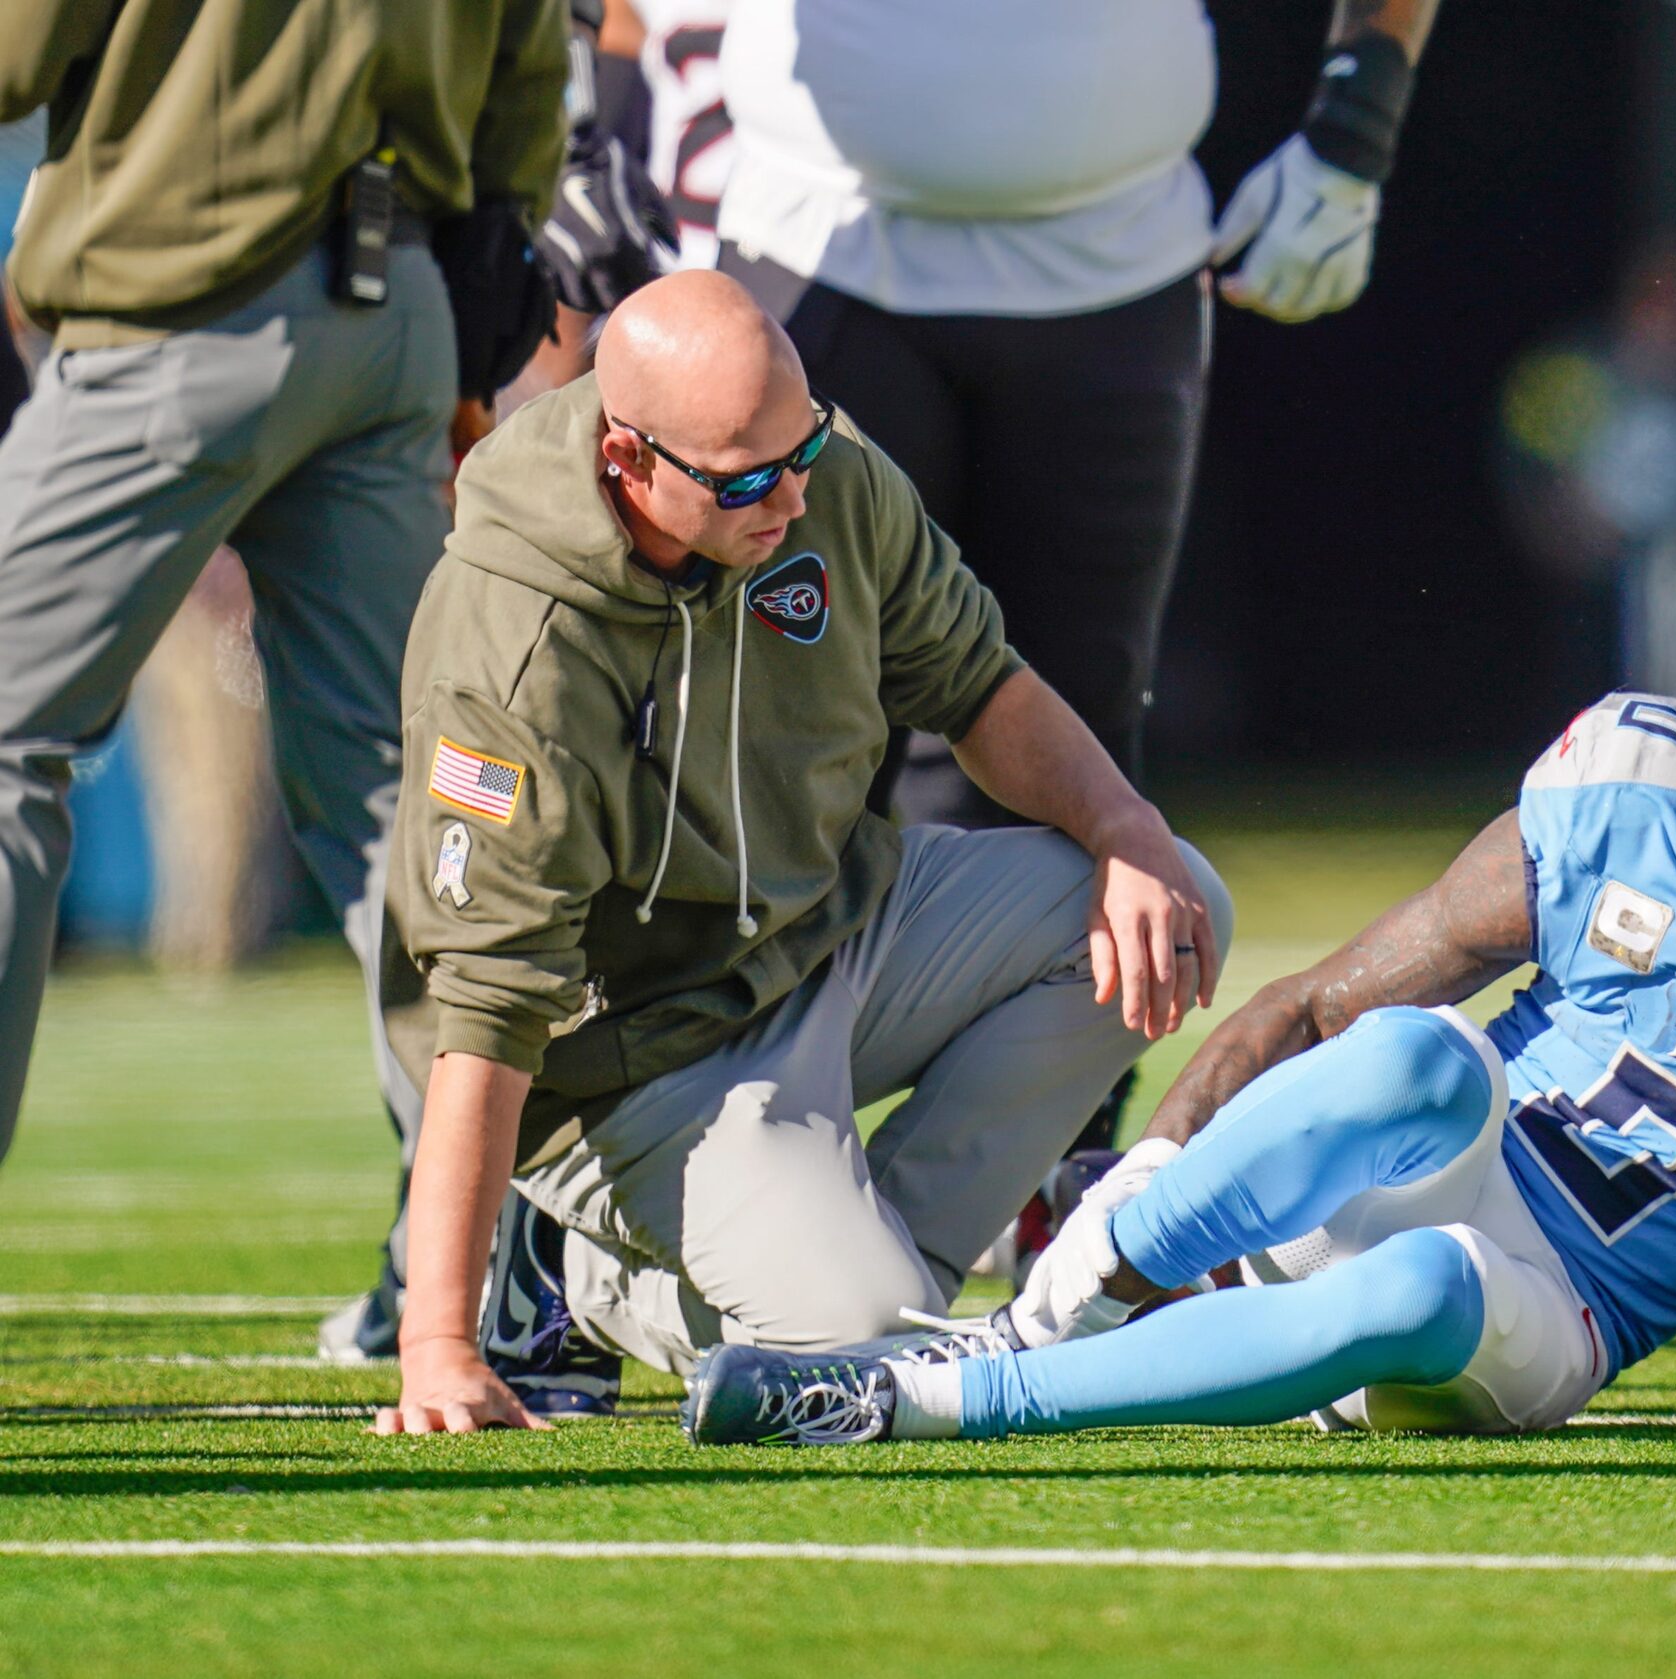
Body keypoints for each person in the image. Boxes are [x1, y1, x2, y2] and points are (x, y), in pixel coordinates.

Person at [676, 614, 1676, 1449]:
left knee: (1433, 1281)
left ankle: (933, 1399)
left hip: (1544, 1324)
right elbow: (1314, 1008)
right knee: (1418, 1052)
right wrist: (1149, 1165)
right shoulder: (1638, 795)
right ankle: (1075, 1294)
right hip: (1387, 1167)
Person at [371, 271, 1227, 1436]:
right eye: (745, 478)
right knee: (857, 1333)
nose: (791, 495)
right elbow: (485, 1002)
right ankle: (589, 1275)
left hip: (826, 928)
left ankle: (850, 1273)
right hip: (635, 1053)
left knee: (1172, 903)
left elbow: (979, 684)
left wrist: (1128, 830)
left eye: (804, 444)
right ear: (627, 460)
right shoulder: (516, 637)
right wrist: (438, 1346)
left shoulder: (817, 473)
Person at [0, 4, 566, 1330]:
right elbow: (533, 69)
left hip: (173, 300)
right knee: (417, 808)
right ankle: (515, 1262)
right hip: (399, 306)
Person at [714, 0, 1450, 834]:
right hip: (820, 247)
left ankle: (1014, 965)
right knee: (790, 737)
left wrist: (1360, 121)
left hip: (1113, 264)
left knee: (1077, 766)